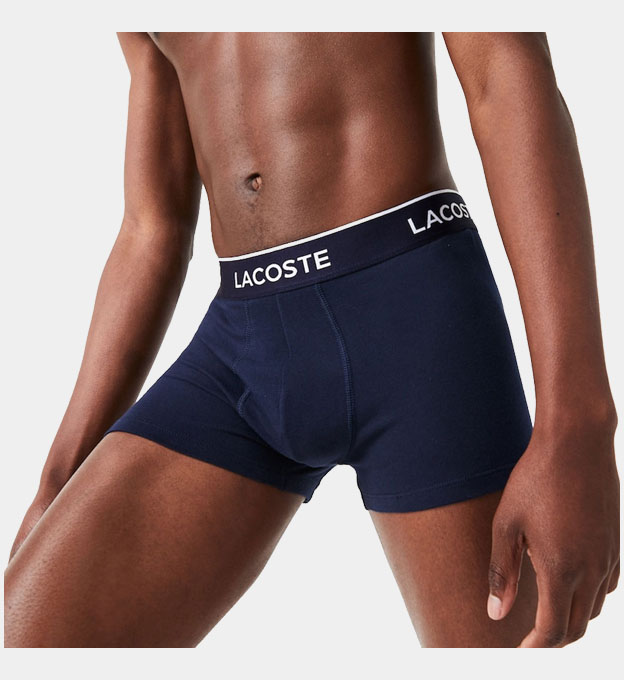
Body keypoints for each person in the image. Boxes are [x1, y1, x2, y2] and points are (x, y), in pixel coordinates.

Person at [4, 32, 619, 648]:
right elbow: (151, 225)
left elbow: (502, 71)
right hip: (243, 343)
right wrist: (59, 477)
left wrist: (576, 426)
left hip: (411, 314)